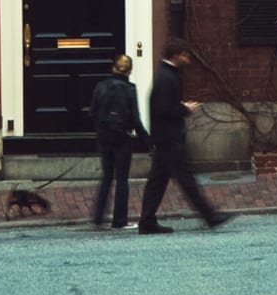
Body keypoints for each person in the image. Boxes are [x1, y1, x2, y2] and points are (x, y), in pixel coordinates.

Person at [139, 42, 228, 231]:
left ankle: (147, 221)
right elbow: (163, 108)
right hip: (169, 138)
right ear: (176, 55)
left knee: (157, 182)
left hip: (163, 137)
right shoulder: (167, 77)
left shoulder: (165, 75)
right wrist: (185, 109)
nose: (188, 59)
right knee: (186, 180)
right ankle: (210, 216)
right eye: (185, 55)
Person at [85, 52, 143, 229]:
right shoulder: (129, 89)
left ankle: (98, 217)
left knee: (107, 176)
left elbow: (93, 112)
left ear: (113, 68)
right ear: (129, 71)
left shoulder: (101, 86)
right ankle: (119, 220)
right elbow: (135, 118)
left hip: (104, 138)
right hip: (122, 138)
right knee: (122, 179)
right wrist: (147, 140)